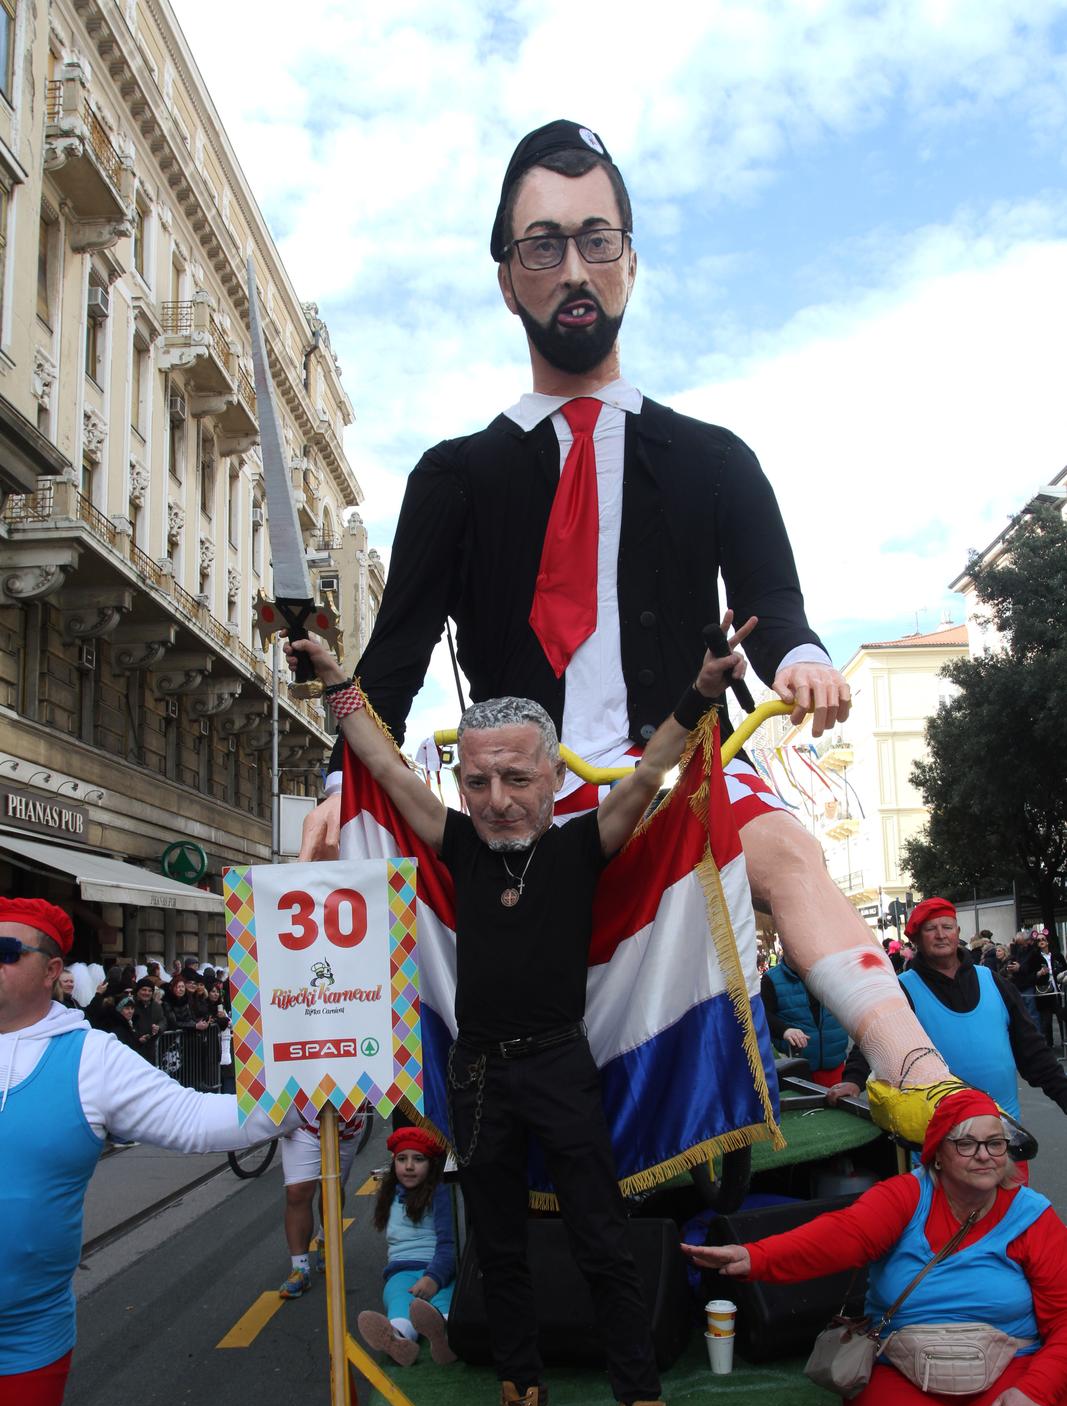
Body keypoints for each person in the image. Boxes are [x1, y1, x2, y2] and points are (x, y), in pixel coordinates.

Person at [296, 118, 952, 1123]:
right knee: (359, 866)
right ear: (506, 277)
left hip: (674, 771)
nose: (573, 268)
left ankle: (914, 1075)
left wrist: (804, 661)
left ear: (629, 265)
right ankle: (373, 1100)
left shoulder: (713, 459)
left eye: (596, 240)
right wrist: (341, 784)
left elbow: (771, 605)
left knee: (780, 849)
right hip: (516, 798)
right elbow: (389, 665)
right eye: (542, 244)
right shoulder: (452, 478)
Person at [284, 613, 755, 1406]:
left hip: (560, 1070)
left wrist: (699, 691)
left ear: (551, 778)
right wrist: (339, 681)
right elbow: (383, 767)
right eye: (478, 780)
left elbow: (652, 771)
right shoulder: (456, 843)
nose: (496, 797)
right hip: (477, 1075)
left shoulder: (583, 846)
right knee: (497, 1253)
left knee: (603, 1248)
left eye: (515, 777)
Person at [0, 898, 300, 1406]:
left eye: (4, 951)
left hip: (23, 1333)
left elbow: (198, 1120)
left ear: (53, 972)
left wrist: (303, 1096)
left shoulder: (89, 1057)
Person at [684, 1088, 1067, 1406]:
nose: (984, 1155)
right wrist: (755, 1257)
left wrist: (1037, 1392)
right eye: (968, 1143)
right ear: (936, 1152)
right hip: (903, 1373)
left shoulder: (1033, 1216)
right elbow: (842, 1235)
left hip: (1011, 1374)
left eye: (996, 1145)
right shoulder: (907, 1196)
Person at [830, 898, 1067, 1122]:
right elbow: (874, 1040)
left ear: (958, 934)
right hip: (934, 1134)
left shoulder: (994, 982)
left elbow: (1033, 1049)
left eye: (947, 927)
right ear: (916, 939)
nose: (941, 935)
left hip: (1002, 1130)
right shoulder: (901, 989)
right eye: (931, 929)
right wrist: (852, 1080)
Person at [356, 1127, 457, 1367]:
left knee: (444, 1299)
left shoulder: (440, 1194)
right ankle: (398, 1338)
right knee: (398, 1301)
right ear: (394, 1163)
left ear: (431, 1164)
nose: (409, 1166)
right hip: (401, 1272)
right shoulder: (390, 1194)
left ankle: (445, 1335)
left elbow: (449, 1243)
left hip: (436, 1271)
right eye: (402, 1159)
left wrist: (433, 1278)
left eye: (418, 1159)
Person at [276, 1105, 371, 1299]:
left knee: (333, 1189)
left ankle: (326, 1240)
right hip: (302, 1121)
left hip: (346, 1121)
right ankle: (300, 1268)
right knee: (297, 1191)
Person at [760, 958, 850, 1085]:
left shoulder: (833, 972)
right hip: (796, 1069)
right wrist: (784, 1030)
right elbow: (762, 1014)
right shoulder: (772, 978)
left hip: (835, 1065)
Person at [1032, 932, 1066, 1051]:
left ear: (1047, 942)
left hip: (1059, 990)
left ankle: (1064, 1041)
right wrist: (1040, 973)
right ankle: (1049, 1044)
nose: (1041, 941)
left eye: (1043, 939)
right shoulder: (1035, 958)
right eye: (1039, 940)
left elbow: (1064, 969)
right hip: (1044, 992)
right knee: (1046, 1020)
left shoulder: (1057, 956)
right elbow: (1033, 974)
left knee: (1062, 1016)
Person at [131, 975, 166, 1064]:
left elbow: (163, 1020)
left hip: (151, 1050)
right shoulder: (130, 1005)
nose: (147, 993)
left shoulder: (156, 1006)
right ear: (137, 991)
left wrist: (159, 1027)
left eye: (150, 991)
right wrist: (137, 1038)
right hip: (134, 1049)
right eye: (144, 990)